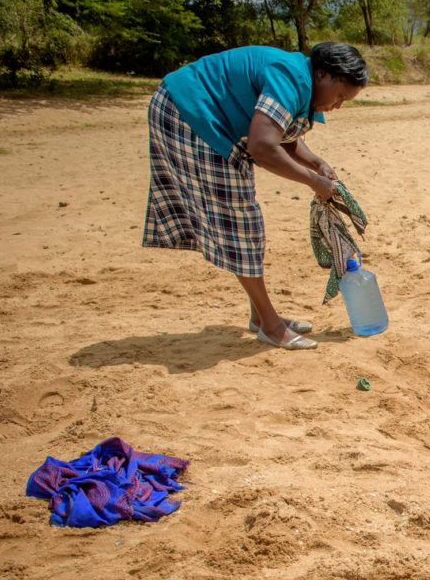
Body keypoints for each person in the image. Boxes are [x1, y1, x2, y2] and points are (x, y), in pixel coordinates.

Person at [143, 42, 368, 350]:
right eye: (340, 95)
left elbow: (283, 136)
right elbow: (262, 146)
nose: (338, 105)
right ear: (322, 74)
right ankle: (271, 326)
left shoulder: (302, 85)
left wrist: (316, 162)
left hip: (197, 113)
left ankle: (261, 317)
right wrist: (314, 181)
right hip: (187, 111)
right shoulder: (291, 79)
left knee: (245, 225)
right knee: (242, 224)